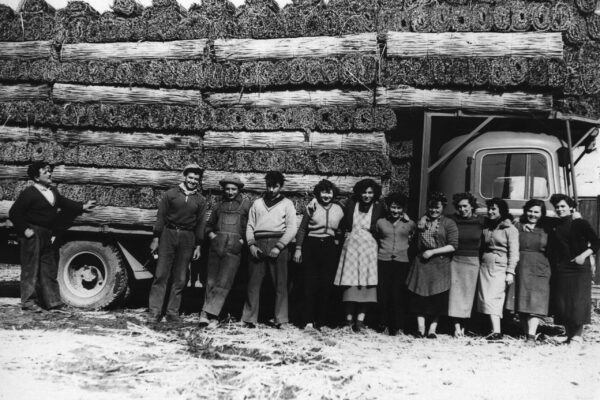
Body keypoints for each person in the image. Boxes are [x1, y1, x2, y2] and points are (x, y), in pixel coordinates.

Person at [9, 161, 96, 312]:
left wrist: (82, 206)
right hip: (32, 234)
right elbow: (14, 213)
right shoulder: (29, 193)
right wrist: (25, 230)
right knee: (31, 269)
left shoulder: (53, 191)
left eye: (50, 171)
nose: (49, 174)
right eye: (45, 172)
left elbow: (64, 202)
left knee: (49, 268)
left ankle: (54, 302)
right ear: (36, 177)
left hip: (47, 233)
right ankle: (29, 303)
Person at [148, 163, 207, 324]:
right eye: (190, 177)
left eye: (196, 178)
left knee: (180, 277)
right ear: (185, 176)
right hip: (169, 234)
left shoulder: (200, 200)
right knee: (161, 274)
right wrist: (156, 238)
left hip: (188, 237)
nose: (193, 181)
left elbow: (201, 223)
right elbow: (161, 216)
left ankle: (172, 312)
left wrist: (198, 245)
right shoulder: (171, 194)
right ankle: (154, 312)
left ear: (199, 181)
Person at [242, 171, 297, 329]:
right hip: (258, 244)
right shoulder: (257, 203)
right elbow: (250, 226)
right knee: (253, 283)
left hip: (278, 243)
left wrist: (279, 246)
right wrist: (251, 245)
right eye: (269, 186)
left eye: (275, 186)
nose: (272, 189)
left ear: (281, 186)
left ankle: (281, 319)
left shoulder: (287, 204)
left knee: (280, 284)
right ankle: (249, 318)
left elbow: (292, 228)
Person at [199, 175, 250, 328]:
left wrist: (242, 241)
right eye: (227, 189)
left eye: (233, 189)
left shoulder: (246, 205)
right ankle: (204, 314)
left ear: (239, 190)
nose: (230, 192)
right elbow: (208, 225)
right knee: (210, 281)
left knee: (224, 282)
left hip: (234, 248)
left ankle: (213, 316)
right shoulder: (218, 205)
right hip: (216, 246)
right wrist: (212, 236)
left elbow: (251, 226)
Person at [334, 178, 385, 333]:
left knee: (366, 284)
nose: (367, 195)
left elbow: (393, 217)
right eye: (364, 192)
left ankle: (360, 321)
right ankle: (348, 320)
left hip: (369, 249)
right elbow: (336, 209)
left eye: (370, 192)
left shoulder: (379, 207)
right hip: (351, 248)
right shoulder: (350, 204)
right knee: (350, 284)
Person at [293, 179, 344, 330]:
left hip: (329, 247)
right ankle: (308, 320)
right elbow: (302, 229)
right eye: (323, 192)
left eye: (329, 192)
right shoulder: (312, 207)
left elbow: (343, 228)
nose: (326, 195)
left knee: (326, 285)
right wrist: (298, 248)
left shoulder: (340, 208)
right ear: (318, 193)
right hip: (312, 246)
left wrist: (337, 242)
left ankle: (321, 321)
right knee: (310, 284)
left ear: (333, 193)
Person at [548, 194, 600, 345]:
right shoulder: (556, 224)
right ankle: (569, 335)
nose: (560, 209)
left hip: (579, 268)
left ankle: (577, 336)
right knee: (564, 302)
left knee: (577, 302)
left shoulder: (579, 223)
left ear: (570, 207)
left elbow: (596, 243)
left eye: (563, 206)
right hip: (562, 268)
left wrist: (583, 256)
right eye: (557, 207)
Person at [406, 192, 458, 339]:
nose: (434, 210)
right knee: (419, 298)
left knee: (437, 299)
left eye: (437, 207)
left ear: (443, 208)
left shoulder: (449, 223)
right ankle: (420, 329)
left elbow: (453, 245)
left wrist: (433, 252)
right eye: (431, 207)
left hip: (440, 264)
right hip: (422, 263)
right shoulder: (422, 222)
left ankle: (432, 330)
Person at [505, 199, 552, 344]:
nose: (532, 214)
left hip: (541, 266)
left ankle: (531, 335)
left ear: (542, 213)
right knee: (522, 301)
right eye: (530, 211)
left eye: (536, 212)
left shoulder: (548, 227)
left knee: (536, 301)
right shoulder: (518, 225)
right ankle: (527, 334)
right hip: (521, 266)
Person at [477, 197, 519, 340]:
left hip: (500, 266)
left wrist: (510, 272)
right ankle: (492, 329)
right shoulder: (488, 226)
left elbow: (514, 252)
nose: (490, 211)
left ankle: (497, 331)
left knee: (494, 298)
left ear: (502, 210)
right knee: (485, 298)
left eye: (494, 209)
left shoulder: (510, 229)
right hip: (485, 264)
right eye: (489, 209)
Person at [375, 193, 415, 336]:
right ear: (388, 207)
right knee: (383, 293)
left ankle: (398, 327)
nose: (395, 211)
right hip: (383, 260)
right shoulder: (380, 222)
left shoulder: (410, 224)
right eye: (393, 207)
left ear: (403, 209)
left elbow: (413, 237)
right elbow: (377, 237)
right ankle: (383, 325)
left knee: (398, 294)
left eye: (398, 208)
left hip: (401, 262)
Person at [447, 192, 483, 337]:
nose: (462, 209)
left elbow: (500, 219)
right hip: (456, 261)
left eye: (465, 206)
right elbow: (433, 218)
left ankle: (465, 326)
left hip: (473, 262)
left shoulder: (481, 221)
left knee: (469, 296)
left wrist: (507, 221)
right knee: (455, 295)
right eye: (460, 206)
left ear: (472, 206)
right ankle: (456, 327)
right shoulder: (451, 219)